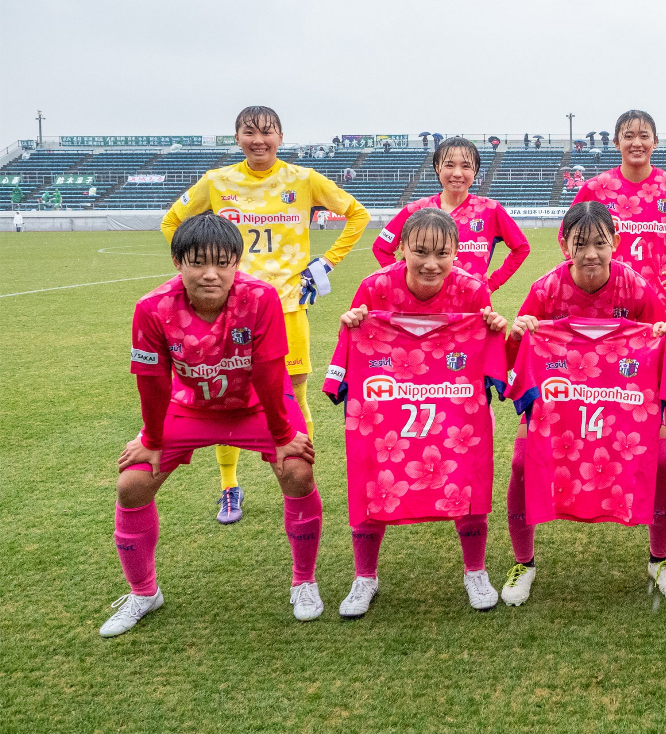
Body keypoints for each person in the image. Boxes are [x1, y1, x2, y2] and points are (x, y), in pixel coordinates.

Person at [101, 213, 322, 636]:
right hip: (191, 407)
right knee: (132, 484)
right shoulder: (151, 308)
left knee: (297, 471)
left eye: (222, 262)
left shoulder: (261, 297)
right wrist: (151, 439)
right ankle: (145, 593)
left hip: (258, 405)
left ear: (237, 262)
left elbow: (270, 372)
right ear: (176, 261)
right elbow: (152, 380)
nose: (210, 274)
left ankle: (304, 582)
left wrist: (281, 436)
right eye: (197, 262)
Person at [160, 106, 369, 524]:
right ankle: (229, 487)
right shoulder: (218, 182)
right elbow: (172, 223)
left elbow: (357, 215)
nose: (259, 140)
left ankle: (301, 476)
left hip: (287, 306)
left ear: (281, 136)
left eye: (267, 132)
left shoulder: (303, 179)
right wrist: (205, 271)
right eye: (250, 132)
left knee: (294, 393)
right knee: (225, 395)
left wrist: (325, 263)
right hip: (230, 308)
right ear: (237, 137)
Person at [503, 201, 666, 605]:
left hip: (625, 400)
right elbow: (512, 359)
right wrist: (518, 334)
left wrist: (661, 331)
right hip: (559, 403)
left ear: (616, 244)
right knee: (521, 464)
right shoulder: (546, 289)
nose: (591, 253)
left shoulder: (636, 286)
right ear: (565, 244)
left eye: (600, 243)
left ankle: (660, 559)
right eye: (581, 243)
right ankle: (524, 562)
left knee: (659, 463)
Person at [326, 209, 510, 617]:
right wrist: (350, 323)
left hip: (455, 405)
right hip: (384, 407)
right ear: (401, 249)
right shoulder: (373, 288)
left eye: (441, 253)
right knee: (371, 478)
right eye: (420, 251)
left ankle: (475, 570)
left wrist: (497, 330)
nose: (430, 263)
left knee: (469, 477)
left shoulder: (473, 290)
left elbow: (491, 357)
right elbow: (348, 351)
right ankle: (364, 577)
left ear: (457, 253)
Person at [566, 110, 666, 327]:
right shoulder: (595, 188)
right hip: (605, 305)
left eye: (644, 136)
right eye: (628, 136)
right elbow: (566, 235)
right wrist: (583, 276)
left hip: (660, 307)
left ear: (655, 142)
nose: (637, 143)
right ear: (616, 142)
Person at [371, 137, 529, 293]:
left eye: (466, 166)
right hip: (423, 306)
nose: (458, 173)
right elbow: (381, 247)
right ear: (437, 167)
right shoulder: (417, 209)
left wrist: (492, 283)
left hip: (472, 307)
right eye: (449, 165)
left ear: (475, 170)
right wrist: (403, 280)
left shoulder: (490, 209)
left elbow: (521, 248)